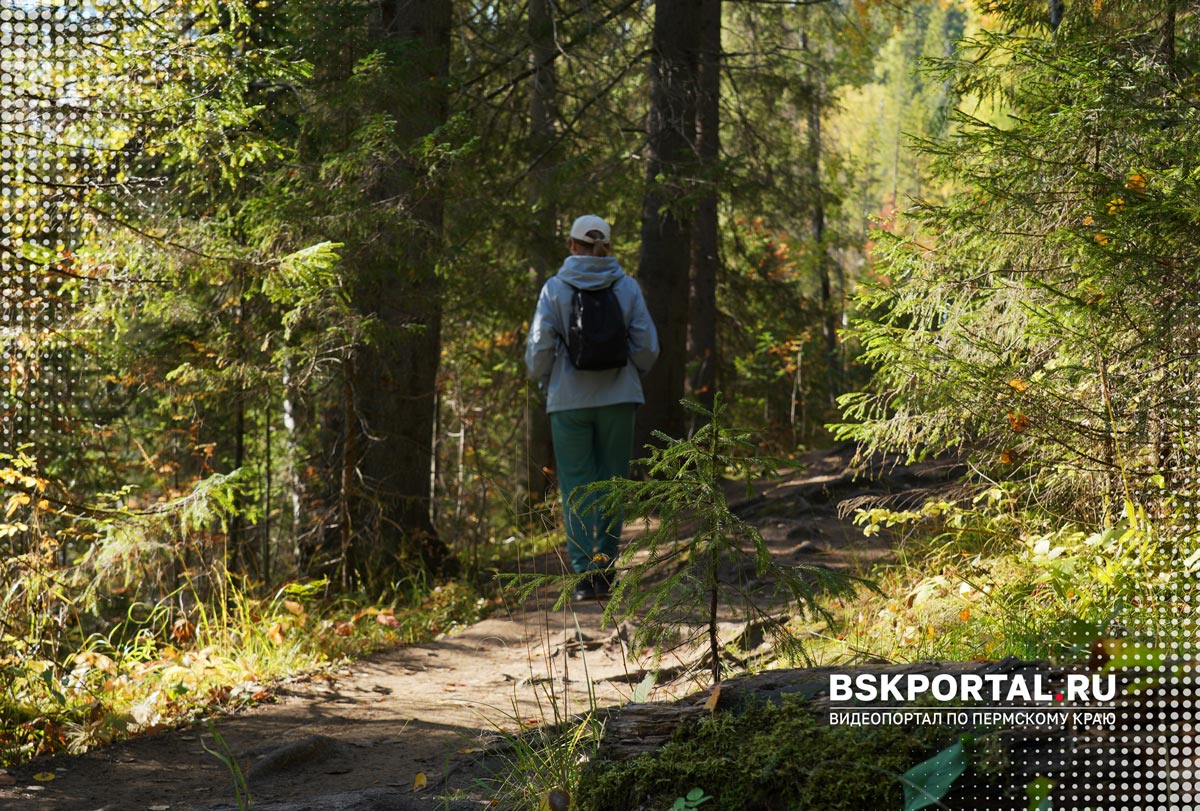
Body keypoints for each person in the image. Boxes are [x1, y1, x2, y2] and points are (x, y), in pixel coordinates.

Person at [525, 215, 659, 600]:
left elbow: (538, 349)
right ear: (608, 247)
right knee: (612, 484)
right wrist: (633, 375)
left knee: (577, 486)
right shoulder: (627, 286)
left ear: (572, 245)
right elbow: (647, 345)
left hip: (568, 401)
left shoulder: (554, 288)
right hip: (619, 397)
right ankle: (606, 569)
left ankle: (584, 576)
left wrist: (545, 381)